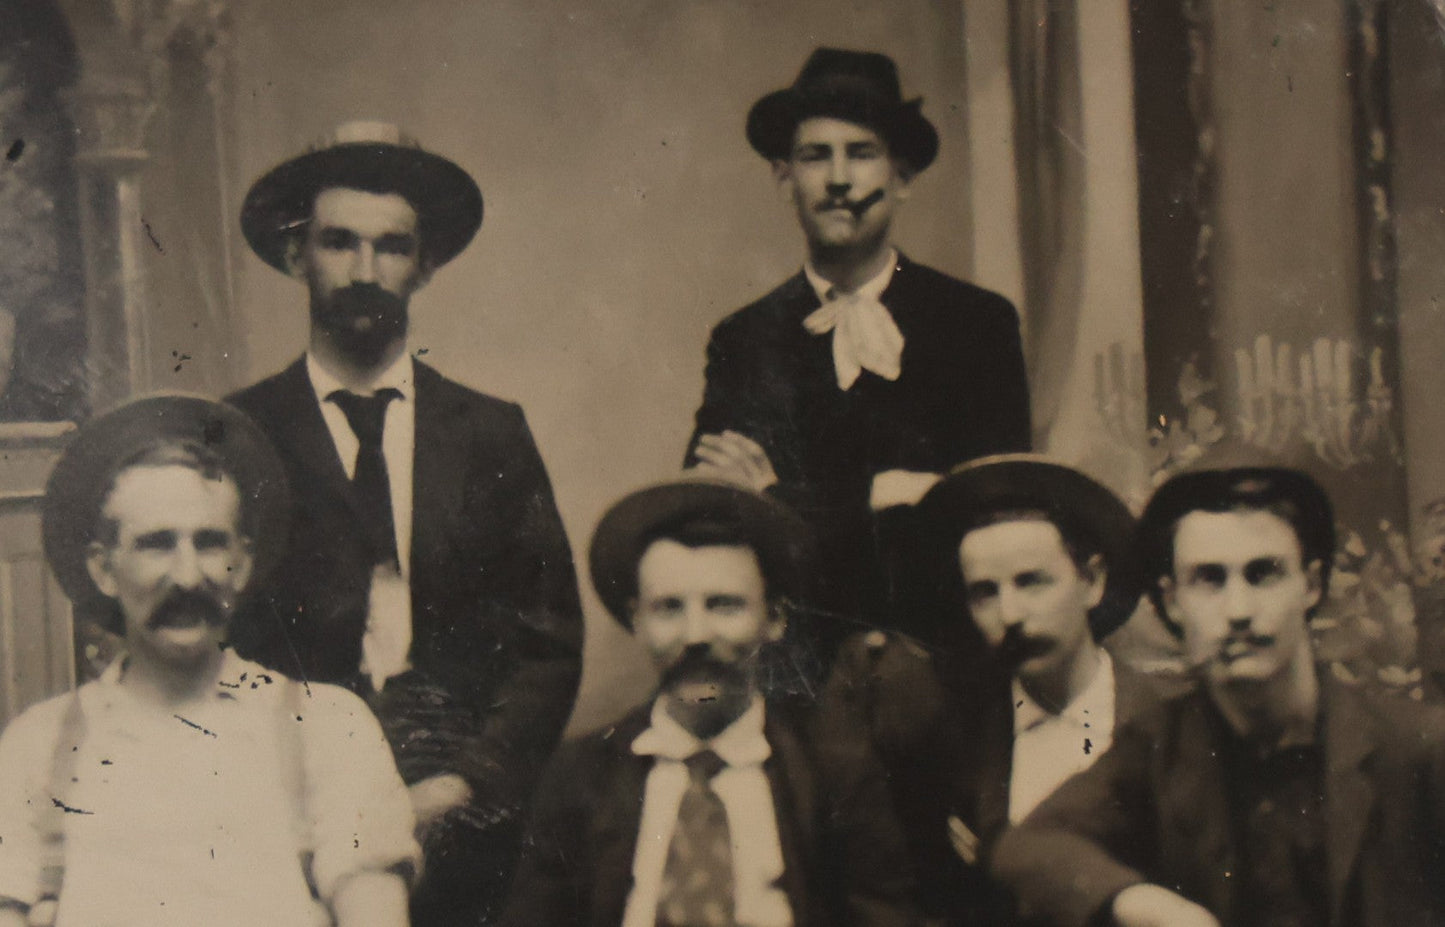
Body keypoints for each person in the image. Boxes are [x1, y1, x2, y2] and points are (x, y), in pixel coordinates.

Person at [227, 121, 584, 926]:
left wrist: (463, 784)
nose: (363, 270)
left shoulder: (490, 431)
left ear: (424, 266)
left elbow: (548, 642)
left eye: (390, 248)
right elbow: (220, 638)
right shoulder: (240, 433)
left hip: (467, 819)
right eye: (338, 242)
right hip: (291, 820)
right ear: (295, 256)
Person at [0, 395, 419, 927]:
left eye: (209, 542)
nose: (188, 575)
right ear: (104, 570)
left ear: (241, 563)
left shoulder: (329, 729)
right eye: (156, 544)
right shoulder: (36, 747)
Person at [685, 47, 1031, 660]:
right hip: (795, 670)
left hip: (945, 662)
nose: (839, 179)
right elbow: (718, 520)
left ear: (900, 177)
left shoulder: (976, 324)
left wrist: (786, 500)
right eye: (815, 156)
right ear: (784, 177)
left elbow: (991, 519)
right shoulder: (744, 339)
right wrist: (887, 495)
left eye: (862, 154)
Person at [992, 464, 1445, 927]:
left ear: (1309, 586)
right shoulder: (1159, 745)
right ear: (1171, 601)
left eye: (1263, 574)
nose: (1239, 611)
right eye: (1209, 579)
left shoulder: (1420, 749)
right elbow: (1029, 847)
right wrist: (1144, 904)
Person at [502, 479, 921, 927]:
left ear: (774, 619)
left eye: (724, 605)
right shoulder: (579, 775)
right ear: (636, 620)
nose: (696, 635)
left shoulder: (835, 769)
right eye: (668, 608)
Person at [823, 455, 1153, 925]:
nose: (1010, 614)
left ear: (1093, 581)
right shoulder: (950, 731)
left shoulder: (1163, 722)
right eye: (985, 593)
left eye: (1032, 582)